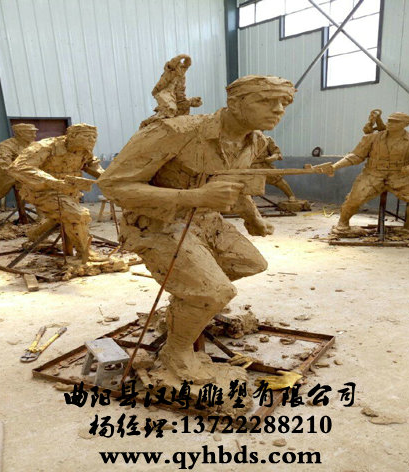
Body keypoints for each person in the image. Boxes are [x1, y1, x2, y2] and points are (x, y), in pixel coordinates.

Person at [99, 75, 296, 383]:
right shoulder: (175, 132)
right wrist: (194, 197)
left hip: (205, 221)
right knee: (215, 291)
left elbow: (235, 182)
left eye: (285, 102)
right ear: (235, 103)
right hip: (157, 224)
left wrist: (252, 216)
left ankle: (187, 306)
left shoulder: (255, 141)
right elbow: (112, 185)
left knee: (250, 263)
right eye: (266, 101)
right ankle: (176, 351)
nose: (279, 110)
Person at [329, 112, 409, 233]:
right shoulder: (372, 138)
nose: (390, 123)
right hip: (373, 174)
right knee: (355, 198)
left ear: (406, 124)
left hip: (401, 176)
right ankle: (343, 222)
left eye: (396, 121)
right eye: (389, 120)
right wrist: (335, 166)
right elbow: (356, 156)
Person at [9, 123, 104, 264]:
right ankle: (84, 253)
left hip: (69, 192)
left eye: (94, 137)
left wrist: (107, 178)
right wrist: (52, 181)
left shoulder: (84, 150)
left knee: (61, 216)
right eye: (86, 136)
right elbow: (18, 167)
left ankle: (34, 233)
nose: (91, 140)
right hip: (42, 191)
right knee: (77, 215)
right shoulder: (45, 147)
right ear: (72, 136)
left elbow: (92, 165)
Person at [0, 123, 38, 212]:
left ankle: (43, 216)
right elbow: (3, 160)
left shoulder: (35, 145)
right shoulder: (7, 145)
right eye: (30, 133)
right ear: (20, 133)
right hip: (8, 174)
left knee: (42, 188)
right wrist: (16, 171)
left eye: (34, 133)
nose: (34, 136)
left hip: (29, 173)